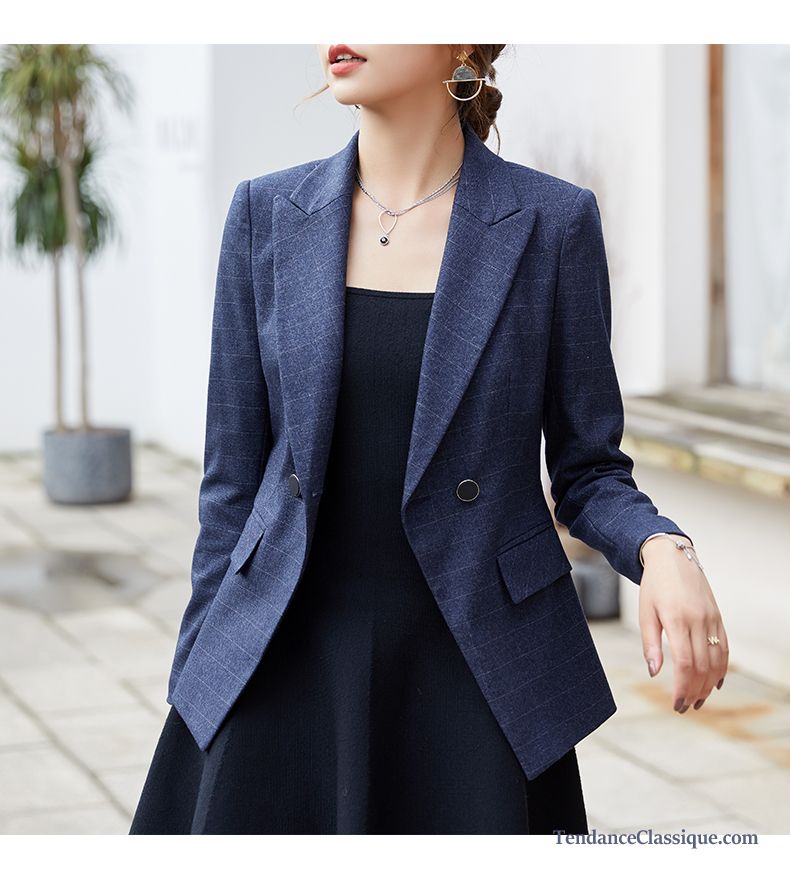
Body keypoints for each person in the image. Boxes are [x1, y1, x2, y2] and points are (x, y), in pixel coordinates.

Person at [129, 44, 729, 835]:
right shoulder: (265, 215)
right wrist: (201, 675)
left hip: (473, 681)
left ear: (463, 40)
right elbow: (231, 487)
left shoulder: (552, 224)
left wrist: (663, 550)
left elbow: (587, 471)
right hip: (280, 666)